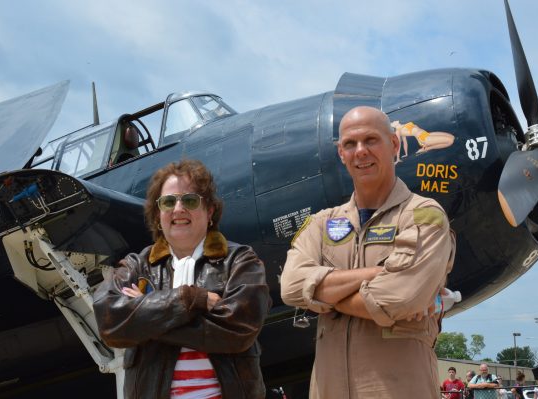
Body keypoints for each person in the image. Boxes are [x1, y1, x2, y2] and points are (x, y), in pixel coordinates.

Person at [280, 106, 456, 398]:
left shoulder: (423, 215)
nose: (360, 151)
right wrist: (376, 274)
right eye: (350, 144)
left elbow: (399, 298)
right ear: (341, 153)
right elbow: (291, 287)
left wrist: (322, 294)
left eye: (371, 140)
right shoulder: (321, 223)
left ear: (395, 145)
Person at [93, 159, 271, 399]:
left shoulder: (240, 261)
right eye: (168, 202)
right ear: (158, 215)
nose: (178, 209)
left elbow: (239, 329)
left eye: (189, 200)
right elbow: (109, 320)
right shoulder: (137, 266)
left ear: (209, 212)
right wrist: (190, 298)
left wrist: (145, 318)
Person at [391, 120, 455, 160]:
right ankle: (427, 148)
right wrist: (398, 158)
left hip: (426, 134)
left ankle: (426, 148)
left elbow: (405, 142)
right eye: (392, 122)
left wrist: (406, 154)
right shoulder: (398, 131)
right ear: (393, 126)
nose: (393, 121)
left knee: (452, 137)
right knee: (450, 141)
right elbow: (400, 143)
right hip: (423, 139)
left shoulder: (403, 125)